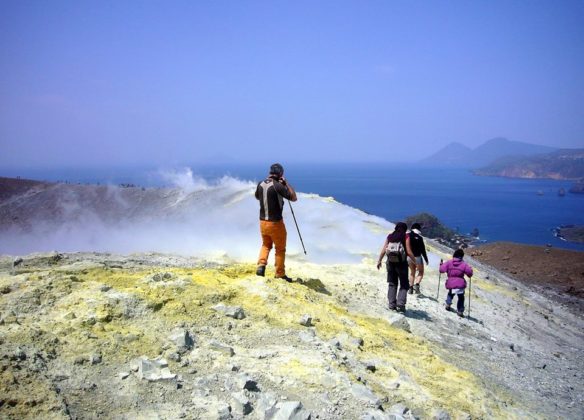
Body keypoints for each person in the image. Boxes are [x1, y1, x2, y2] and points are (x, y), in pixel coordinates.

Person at [255, 163, 297, 282]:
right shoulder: (278, 186)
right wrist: (286, 184)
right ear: (280, 174)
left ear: (270, 172)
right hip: (276, 223)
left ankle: (261, 266)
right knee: (280, 248)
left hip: (263, 222)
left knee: (266, 245)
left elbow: (257, 197)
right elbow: (293, 198)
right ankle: (279, 274)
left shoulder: (260, 184)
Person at [377, 222, 415, 313]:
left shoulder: (390, 236)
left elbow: (383, 250)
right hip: (401, 264)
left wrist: (379, 261)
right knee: (404, 284)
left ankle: (392, 305)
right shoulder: (405, 236)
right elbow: (409, 251)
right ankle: (400, 305)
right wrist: (415, 261)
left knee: (392, 283)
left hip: (390, 263)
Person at [439, 249, 473, 317]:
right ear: (462, 256)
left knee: (450, 294)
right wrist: (470, 269)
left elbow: (441, 270)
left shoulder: (449, 262)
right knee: (461, 297)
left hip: (451, 282)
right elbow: (469, 274)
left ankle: (448, 304)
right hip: (460, 283)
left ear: (454, 255)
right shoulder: (464, 264)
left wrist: (441, 265)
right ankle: (460, 311)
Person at [408, 223, 429, 295]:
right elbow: (423, 250)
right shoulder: (420, 238)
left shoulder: (407, 236)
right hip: (418, 257)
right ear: (418, 229)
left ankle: (410, 288)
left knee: (412, 272)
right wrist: (426, 259)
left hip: (409, 257)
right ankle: (417, 284)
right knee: (420, 272)